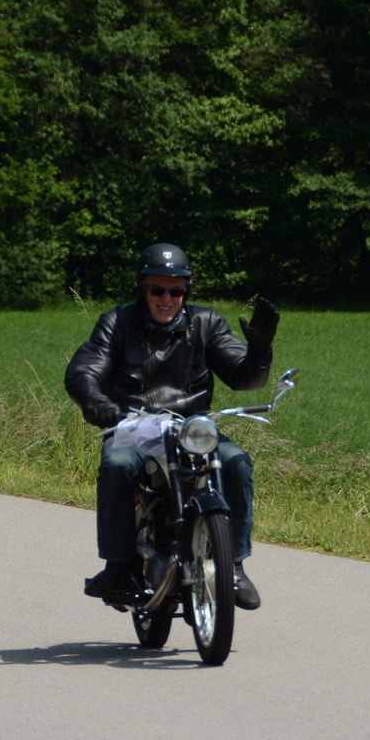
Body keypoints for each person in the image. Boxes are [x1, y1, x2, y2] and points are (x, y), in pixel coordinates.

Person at [64, 242, 280, 609]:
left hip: (191, 427)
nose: (167, 298)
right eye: (157, 289)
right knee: (117, 465)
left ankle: (235, 566)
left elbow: (242, 377)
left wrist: (259, 353)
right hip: (134, 425)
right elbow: (85, 369)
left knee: (237, 462)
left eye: (176, 290)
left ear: (186, 291)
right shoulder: (116, 322)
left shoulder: (207, 323)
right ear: (142, 289)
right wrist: (97, 402)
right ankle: (117, 564)